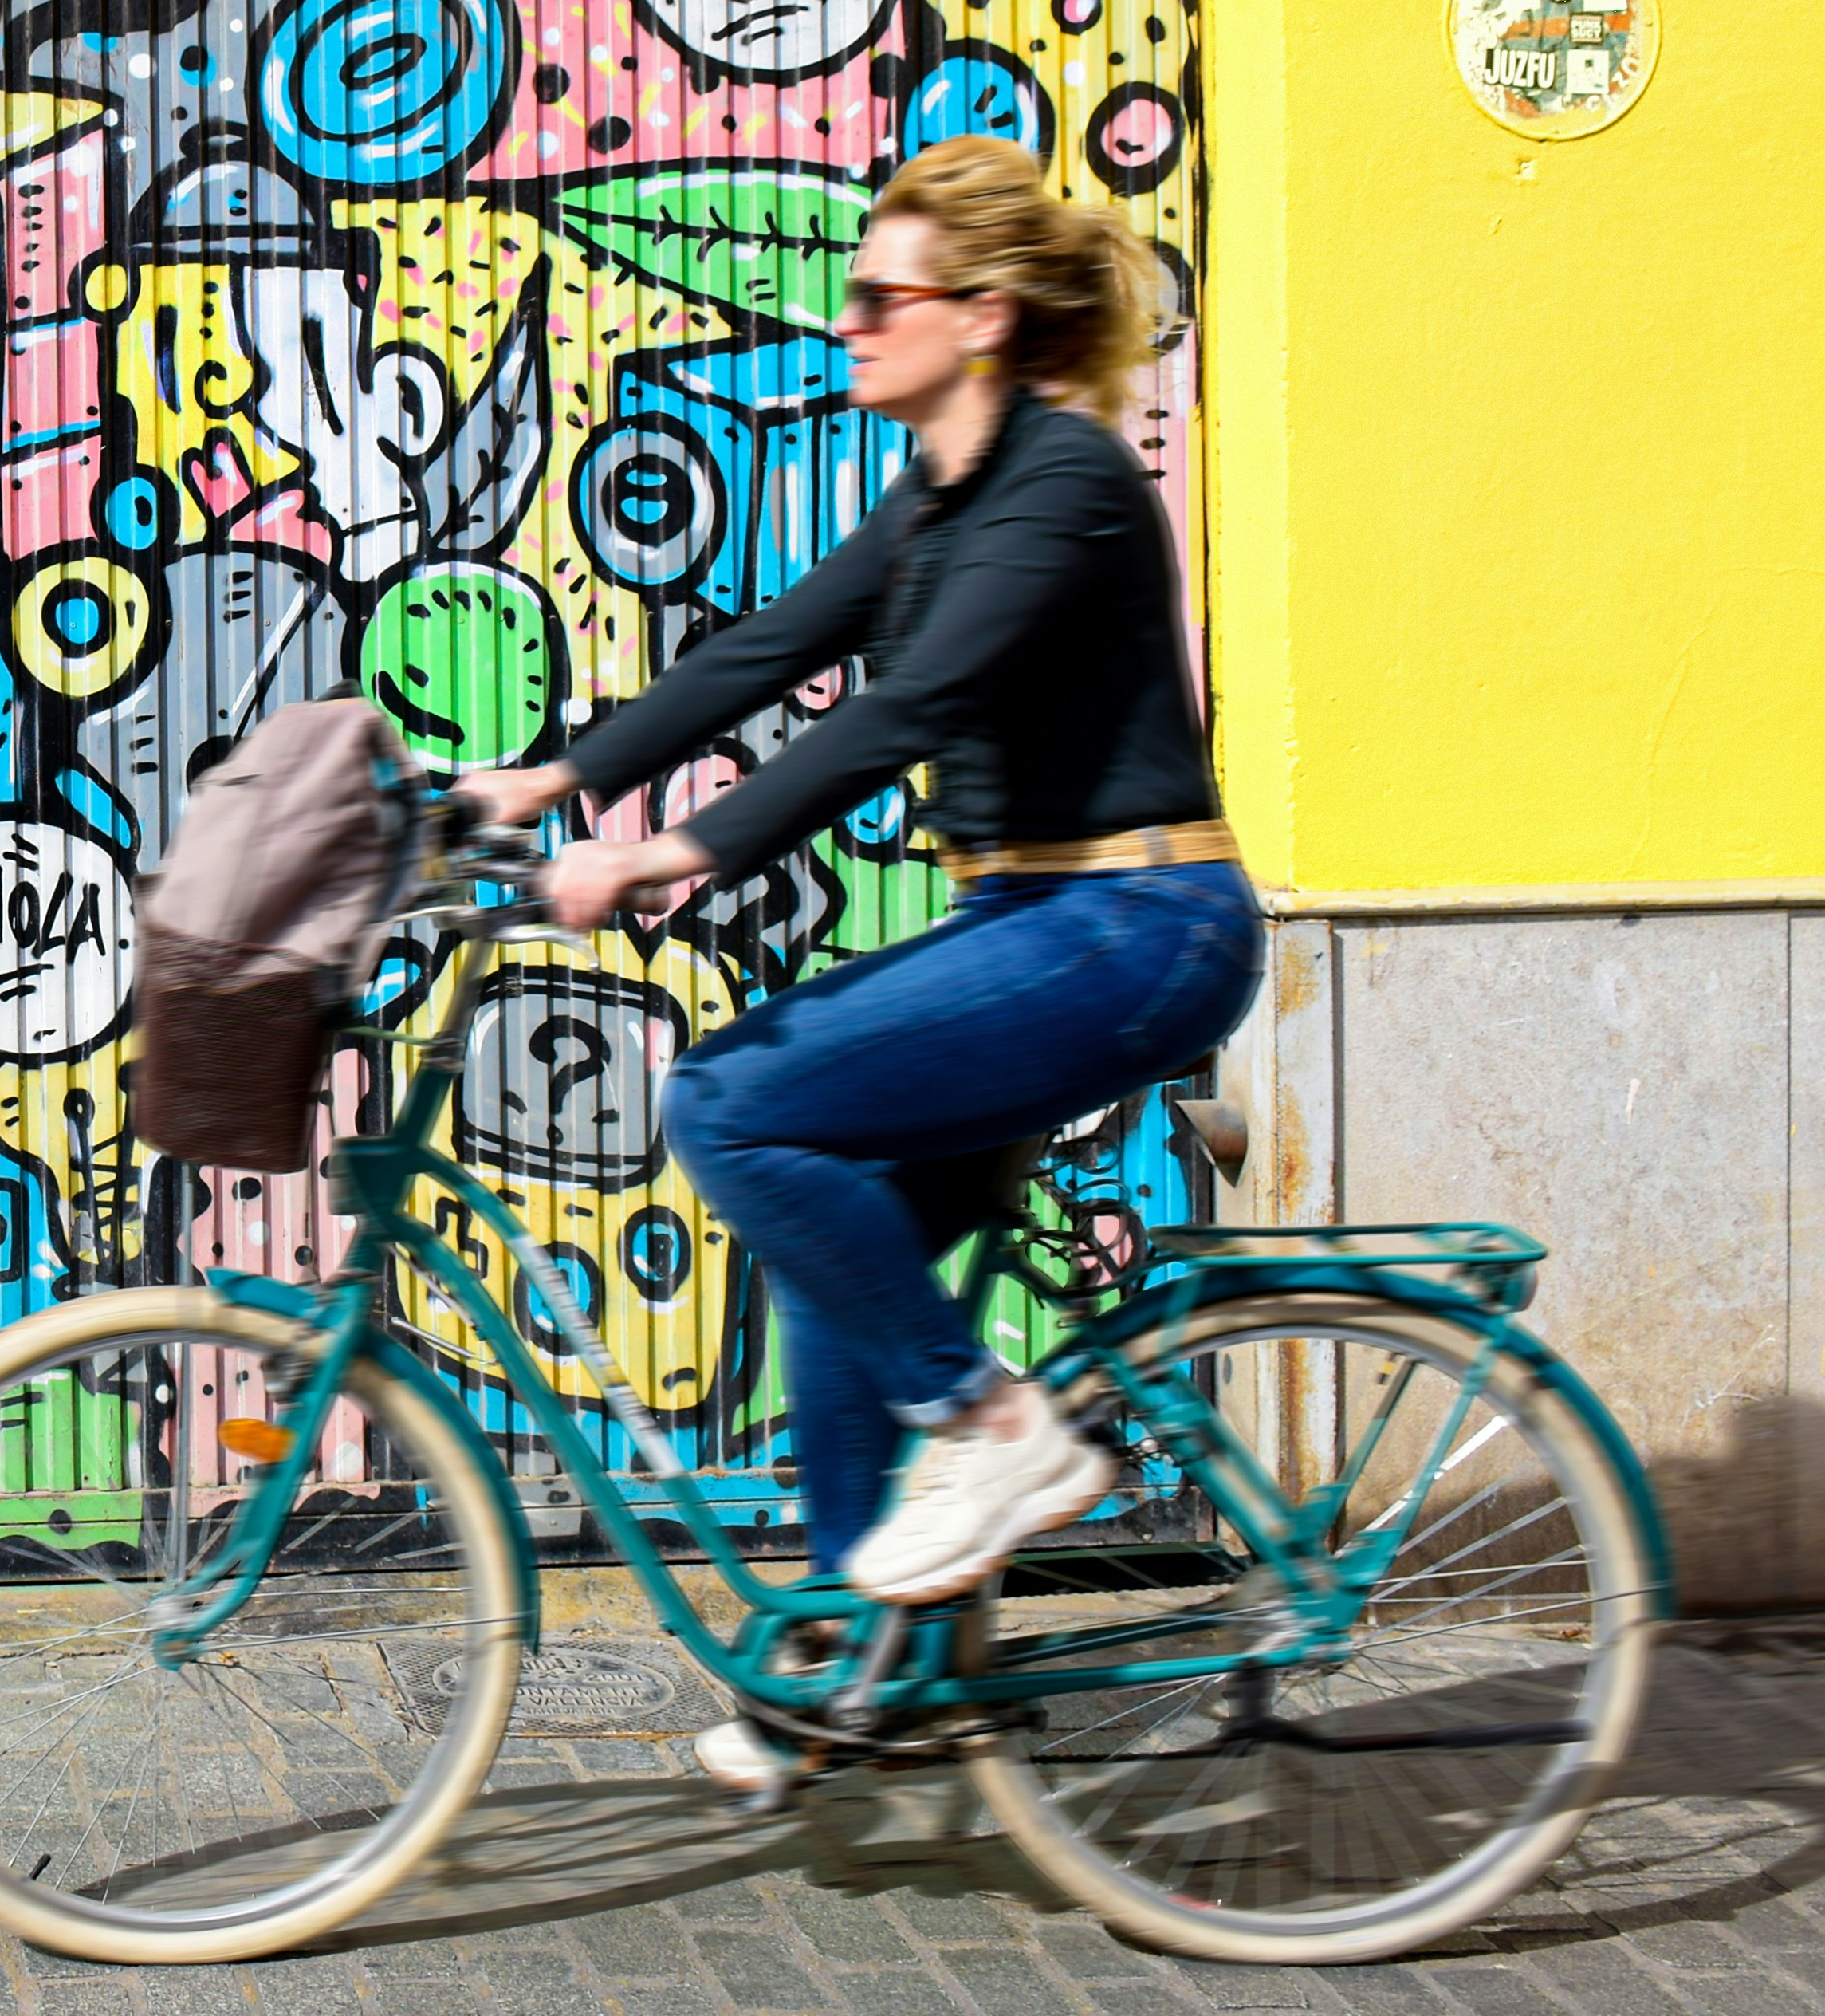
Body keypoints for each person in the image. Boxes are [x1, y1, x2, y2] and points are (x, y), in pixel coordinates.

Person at [457, 136, 1261, 1793]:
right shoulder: (939, 495)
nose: (843, 324)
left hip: (1135, 928)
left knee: (732, 1106)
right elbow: (770, 644)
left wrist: (673, 852)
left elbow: (909, 707)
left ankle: (992, 1434)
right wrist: (555, 775)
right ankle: (859, 1652)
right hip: (1034, 927)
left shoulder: (1066, 480)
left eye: (875, 298)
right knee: (842, 1238)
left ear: (976, 317)